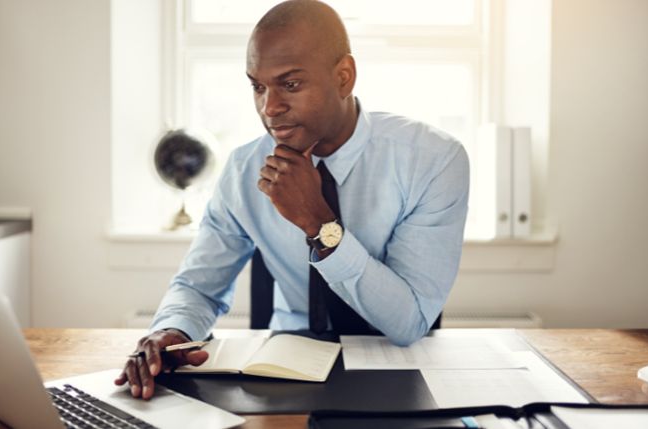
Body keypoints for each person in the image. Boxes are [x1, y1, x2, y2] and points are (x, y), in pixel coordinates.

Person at [116, 0, 469, 399]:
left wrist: (320, 225)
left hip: (400, 369)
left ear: (344, 77)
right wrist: (172, 331)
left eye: (290, 84)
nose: (270, 108)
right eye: (257, 86)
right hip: (283, 370)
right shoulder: (242, 170)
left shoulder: (433, 160)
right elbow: (200, 287)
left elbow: (408, 324)